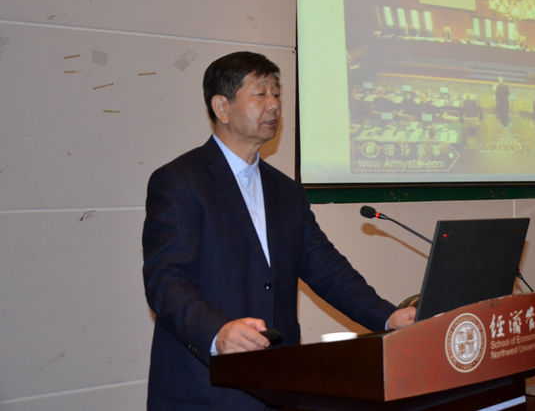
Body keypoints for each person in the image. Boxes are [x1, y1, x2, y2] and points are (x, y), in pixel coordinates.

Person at [142, 52, 415, 411]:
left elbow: (326, 268)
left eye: (276, 93)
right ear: (222, 107)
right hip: (205, 388)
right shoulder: (180, 181)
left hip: (280, 385)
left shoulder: (286, 191)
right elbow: (165, 279)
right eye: (260, 93)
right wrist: (216, 332)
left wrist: (387, 316)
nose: (274, 105)